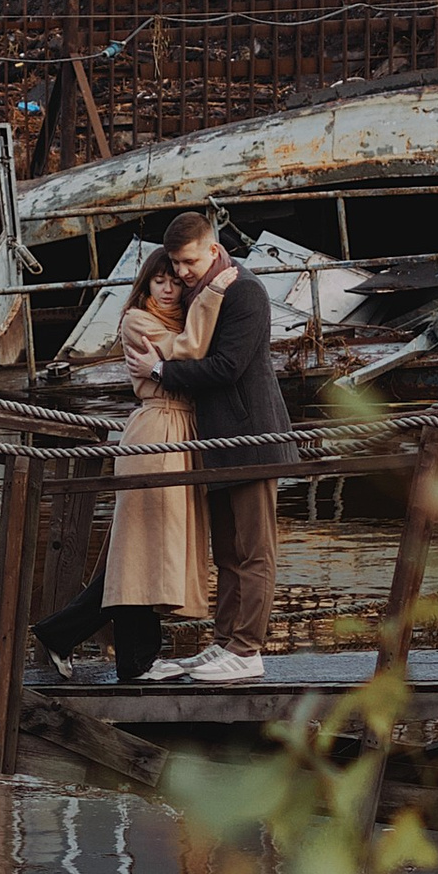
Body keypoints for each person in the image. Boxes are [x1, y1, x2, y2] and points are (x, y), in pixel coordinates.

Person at [34, 248, 220, 683]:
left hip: (180, 432)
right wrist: (213, 296)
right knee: (140, 551)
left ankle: (65, 635)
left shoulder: (177, 319)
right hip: (157, 432)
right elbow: (186, 353)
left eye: (175, 280)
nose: (170, 288)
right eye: (160, 281)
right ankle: (133, 660)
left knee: (143, 553)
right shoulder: (138, 320)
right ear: (145, 285)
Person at [147, 207, 292, 686]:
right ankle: (226, 641)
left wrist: (160, 371)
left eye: (188, 261)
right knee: (227, 552)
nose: (181, 272)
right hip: (216, 440)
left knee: (255, 550)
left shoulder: (244, 290)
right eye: (176, 263)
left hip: (252, 437)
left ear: (212, 248)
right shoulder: (201, 292)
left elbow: (228, 366)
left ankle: (249, 650)